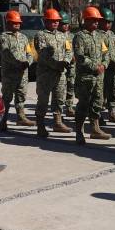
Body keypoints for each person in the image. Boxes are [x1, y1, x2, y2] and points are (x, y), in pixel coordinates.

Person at [72, 7, 111, 144]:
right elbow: (80, 57)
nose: (96, 23)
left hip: (99, 77)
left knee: (97, 103)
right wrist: (96, 66)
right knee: (83, 104)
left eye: (97, 21)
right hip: (86, 78)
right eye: (93, 20)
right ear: (86, 20)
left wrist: (104, 65)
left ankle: (95, 129)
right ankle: (79, 131)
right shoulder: (79, 37)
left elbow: (106, 53)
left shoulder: (99, 36)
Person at [33, 8, 72, 138]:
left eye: (57, 21)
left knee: (59, 98)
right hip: (46, 74)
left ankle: (58, 122)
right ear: (46, 21)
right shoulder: (40, 35)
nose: (55, 23)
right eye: (52, 21)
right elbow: (43, 54)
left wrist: (66, 61)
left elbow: (69, 50)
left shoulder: (62, 35)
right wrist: (57, 64)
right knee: (43, 100)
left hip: (60, 73)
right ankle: (40, 125)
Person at [0, 10, 35, 131]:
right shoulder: (4, 37)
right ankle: (3, 120)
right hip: (9, 73)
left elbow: (29, 53)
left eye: (18, 23)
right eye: (14, 23)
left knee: (21, 95)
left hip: (22, 72)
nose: (17, 25)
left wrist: (27, 63)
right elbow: (6, 53)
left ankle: (21, 117)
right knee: (7, 97)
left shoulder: (24, 37)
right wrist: (17, 63)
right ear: (8, 23)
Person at [98, 8, 115, 124]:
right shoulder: (97, 35)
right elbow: (103, 52)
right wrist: (108, 62)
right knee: (101, 92)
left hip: (114, 69)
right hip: (103, 68)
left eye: (110, 22)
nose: (108, 24)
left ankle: (112, 111)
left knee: (113, 90)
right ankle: (98, 114)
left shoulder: (112, 35)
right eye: (106, 22)